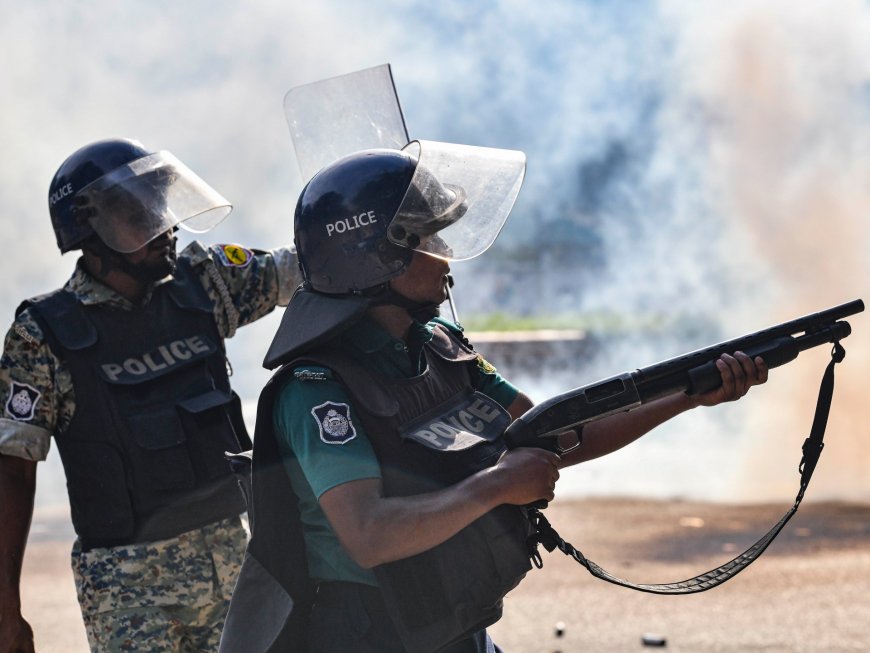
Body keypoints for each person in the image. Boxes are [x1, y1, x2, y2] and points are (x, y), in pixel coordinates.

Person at [222, 141, 768, 653]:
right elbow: (369, 535)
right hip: (369, 632)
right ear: (380, 261)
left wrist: (688, 394)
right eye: (429, 240)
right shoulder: (317, 390)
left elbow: (556, 435)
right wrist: (499, 484)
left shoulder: (438, 348)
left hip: (447, 620)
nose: (446, 254)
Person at [0, 138, 301, 653]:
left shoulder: (205, 284)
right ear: (90, 232)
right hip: (126, 593)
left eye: (161, 205)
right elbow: (10, 471)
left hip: (231, 568)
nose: (165, 226)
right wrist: (5, 609)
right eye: (140, 213)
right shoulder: (43, 335)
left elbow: (302, 272)